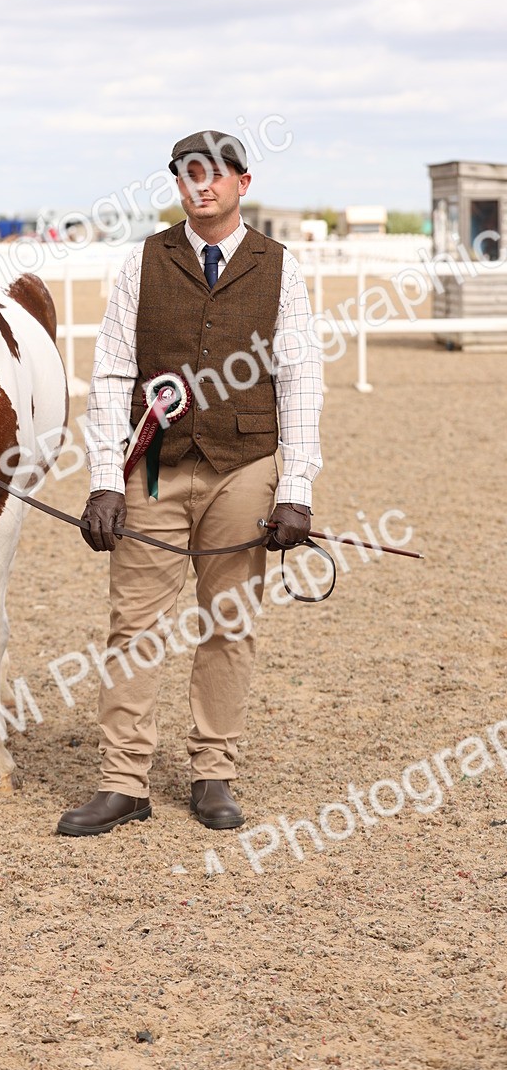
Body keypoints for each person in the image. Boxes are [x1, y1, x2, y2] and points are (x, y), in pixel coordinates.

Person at [57, 129, 323, 837]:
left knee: (229, 623)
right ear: (178, 184)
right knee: (134, 627)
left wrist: (295, 490)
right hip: (153, 469)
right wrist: (104, 481)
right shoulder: (143, 262)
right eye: (188, 174)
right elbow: (112, 373)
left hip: (245, 467)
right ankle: (123, 782)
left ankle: (213, 774)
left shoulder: (281, 267)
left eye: (215, 174)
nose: (201, 185)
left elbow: (300, 379)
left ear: (242, 182)